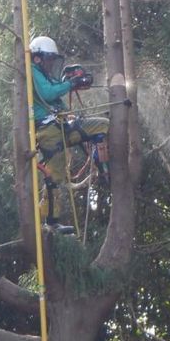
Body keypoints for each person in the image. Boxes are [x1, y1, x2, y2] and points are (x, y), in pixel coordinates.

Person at [29, 36, 109, 234]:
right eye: (48, 59)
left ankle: (103, 170)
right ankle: (49, 221)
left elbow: (57, 100)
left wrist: (70, 108)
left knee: (101, 125)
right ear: (38, 58)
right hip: (48, 132)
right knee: (55, 176)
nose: (51, 64)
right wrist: (70, 84)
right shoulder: (32, 72)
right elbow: (48, 94)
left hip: (62, 126)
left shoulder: (46, 75)